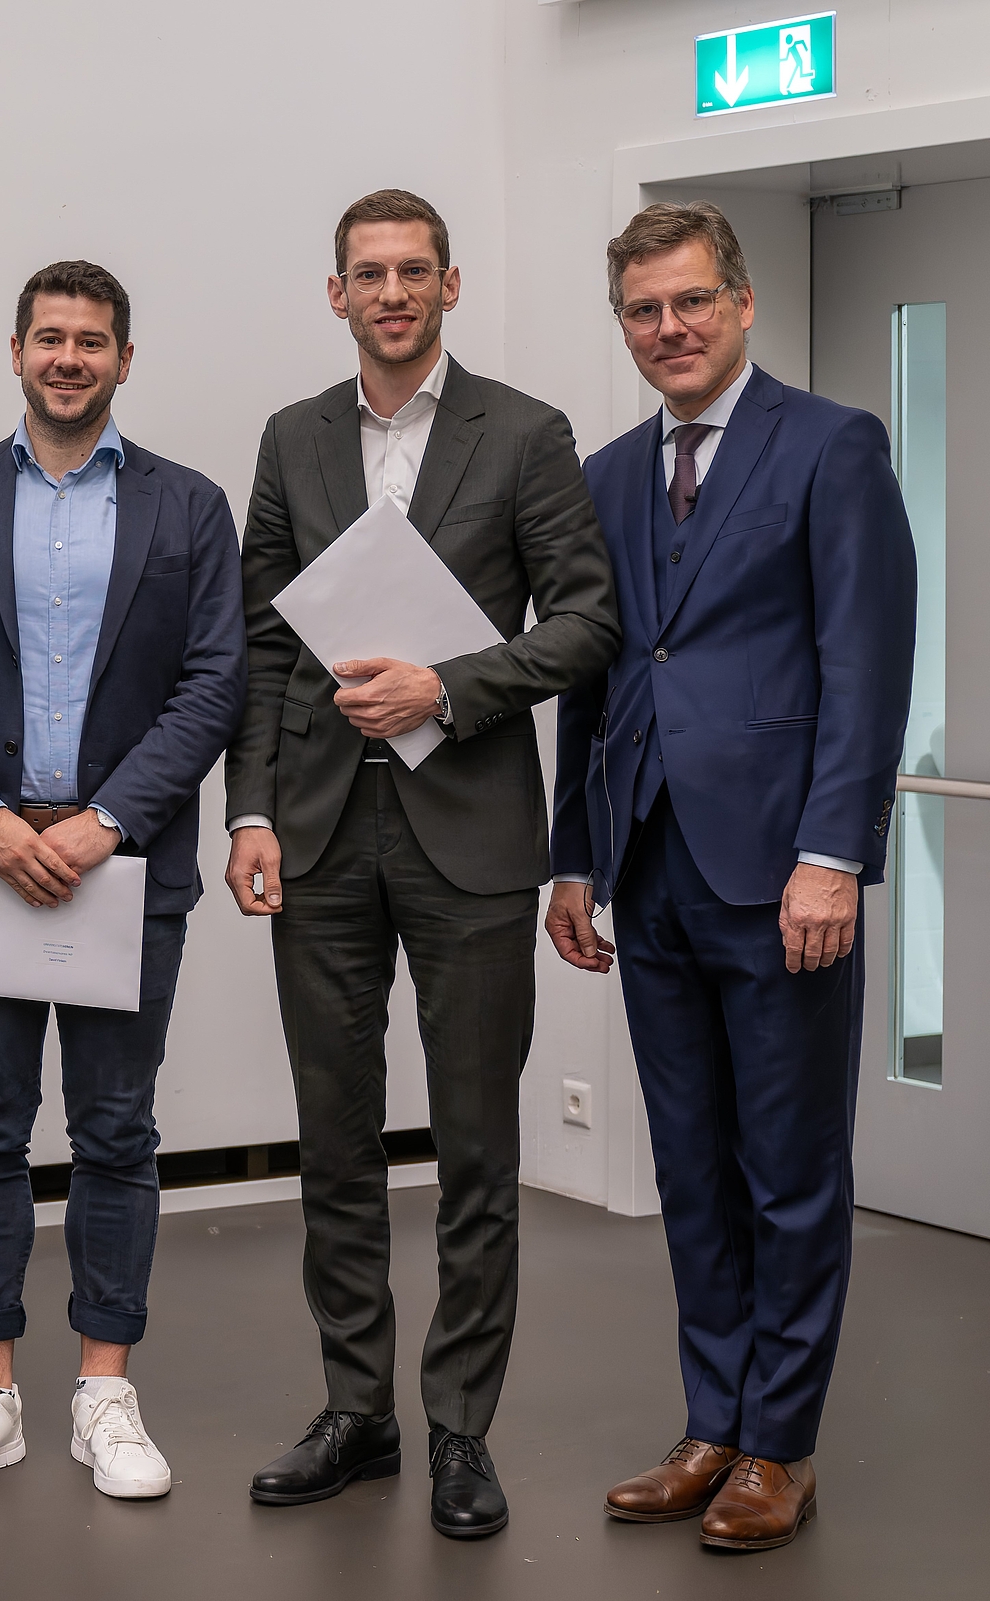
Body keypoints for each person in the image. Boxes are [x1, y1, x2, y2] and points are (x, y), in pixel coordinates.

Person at [222, 190, 619, 1539]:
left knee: (475, 1150)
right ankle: (358, 1411)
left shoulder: (527, 432)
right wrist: (250, 811)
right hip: (320, 830)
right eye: (367, 273)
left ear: (451, 285)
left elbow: (586, 620)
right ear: (335, 293)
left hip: (473, 830)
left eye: (413, 271)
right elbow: (261, 643)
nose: (391, 292)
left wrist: (446, 687)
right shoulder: (292, 436)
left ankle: (460, 1428)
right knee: (335, 1144)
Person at [548, 202, 915, 1553]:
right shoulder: (605, 475)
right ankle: (711, 1421)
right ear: (624, 325)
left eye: (692, 300)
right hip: (649, 866)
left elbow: (865, 663)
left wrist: (835, 855)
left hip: (781, 874)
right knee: (692, 1166)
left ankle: (780, 1444)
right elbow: (594, 676)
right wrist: (574, 855)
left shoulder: (831, 445)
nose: (671, 328)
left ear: (742, 302)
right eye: (645, 310)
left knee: (790, 1167)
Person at [0, 261, 245, 1501]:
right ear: (18, 352)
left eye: (93, 340)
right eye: (50, 337)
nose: (70, 357)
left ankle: (104, 1392)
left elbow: (215, 681)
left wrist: (107, 822)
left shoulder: (190, 507)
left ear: (124, 360)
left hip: (123, 866)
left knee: (116, 1128)